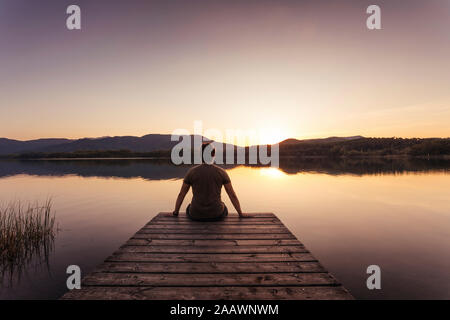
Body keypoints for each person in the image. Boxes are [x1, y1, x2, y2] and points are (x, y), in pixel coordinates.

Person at [172, 142, 249, 220]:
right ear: (213, 155)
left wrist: (175, 212)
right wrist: (240, 213)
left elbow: (182, 194)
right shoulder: (222, 172)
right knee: (224, 207)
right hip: (216, 214)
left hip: (196, 214)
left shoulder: (191, 172)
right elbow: (232, 194)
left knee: (189, 207)